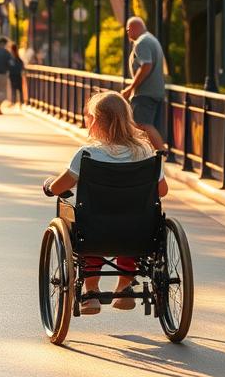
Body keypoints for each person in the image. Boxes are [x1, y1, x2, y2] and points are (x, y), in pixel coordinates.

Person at [41, 91, 168, 315]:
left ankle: (91, 293)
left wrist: (50, 186)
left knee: (87, 226)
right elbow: (163, 190)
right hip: (138, 229)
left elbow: (61, 187)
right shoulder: (146, 152)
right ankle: (124, 286)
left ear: (96, 121)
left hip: (95, 229)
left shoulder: (87, 154)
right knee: (130, 227)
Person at [120, 17, 166, 152]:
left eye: (128, 29)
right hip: (155, 91)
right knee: (143, 123)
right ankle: (149, 151)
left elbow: (146, 65)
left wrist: (130, 88)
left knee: (142, 123)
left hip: (145, 92)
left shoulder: (142, 42)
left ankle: (162, 151)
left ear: (135, 27)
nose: (127, 33)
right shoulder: (152, 39)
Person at [9, 45, 25, 109]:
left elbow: (9, 66)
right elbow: (21, 65)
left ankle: (14, 102)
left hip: (13, 75)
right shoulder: (18, 58)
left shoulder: (11, 57)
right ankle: (21, 102)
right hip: (18, 75)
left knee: (14, 89)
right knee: (19, 89)